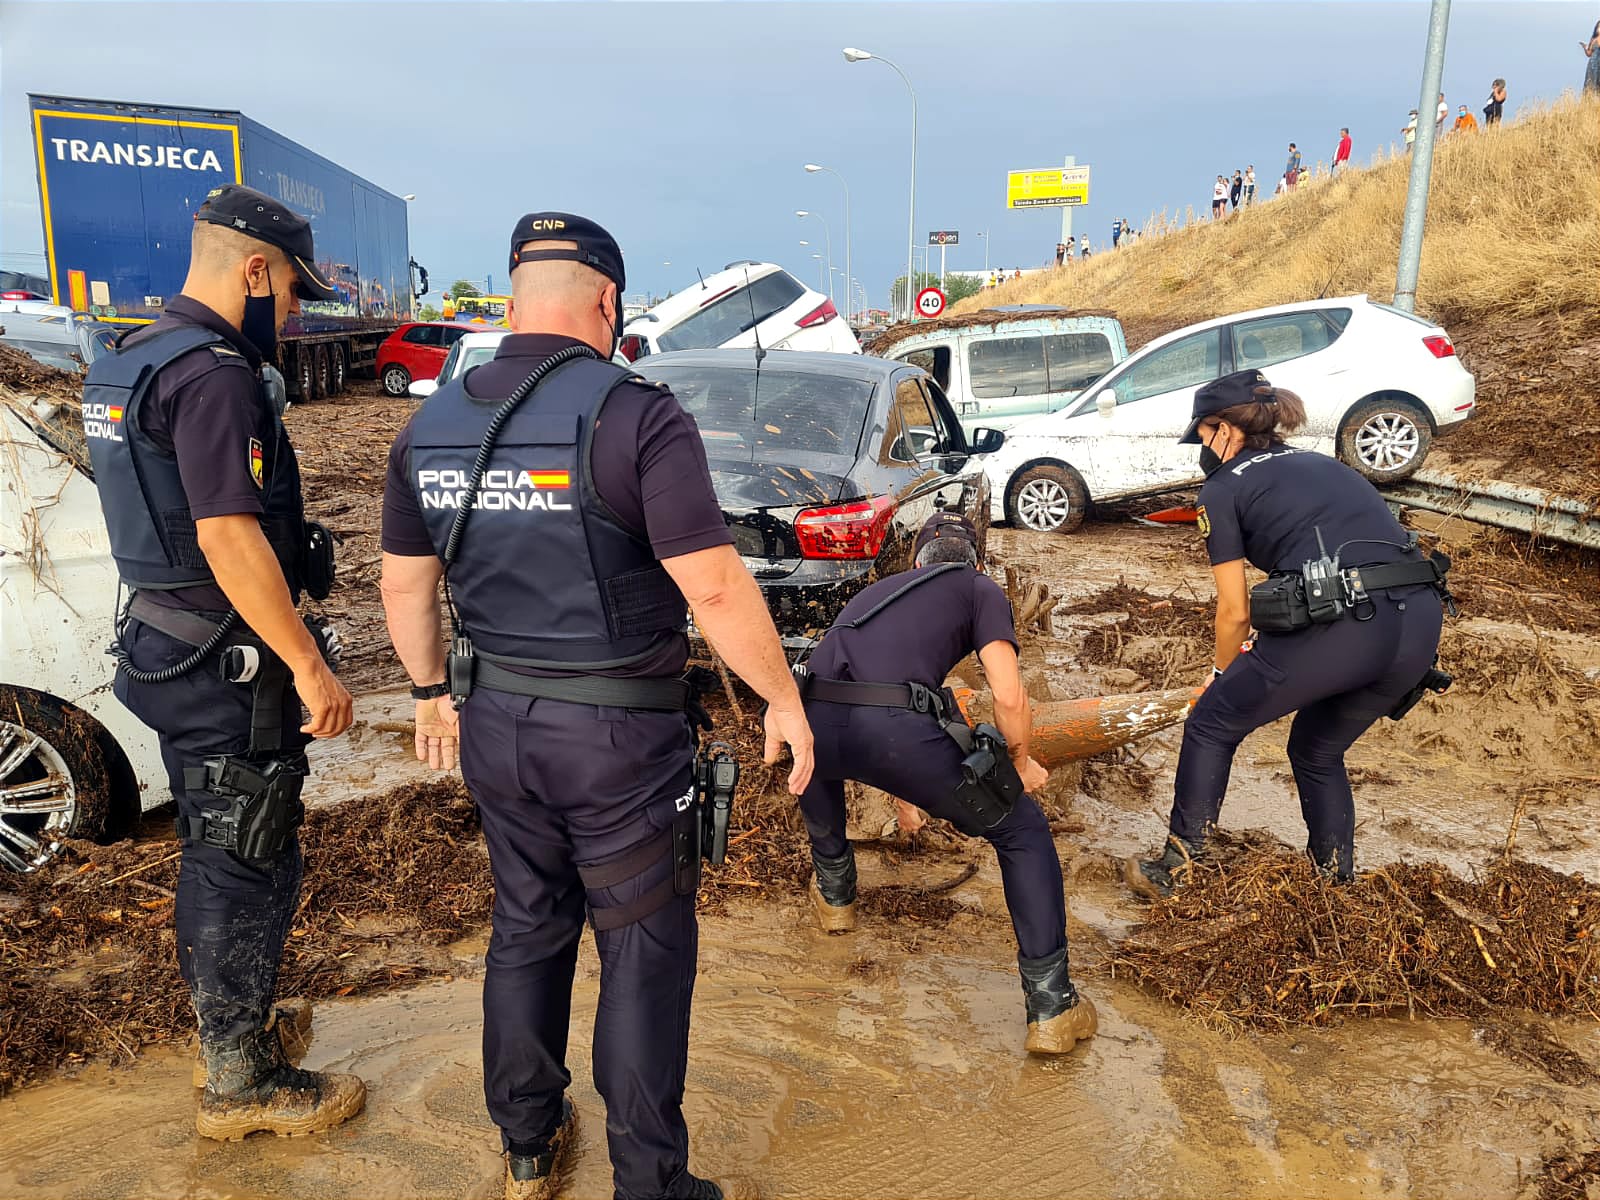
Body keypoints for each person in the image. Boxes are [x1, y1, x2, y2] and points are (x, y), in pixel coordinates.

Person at [379, 211, 813, 1200]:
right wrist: (781, 699)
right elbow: (710, 584)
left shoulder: (432, 424)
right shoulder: (638, 416)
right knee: (641, 950)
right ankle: (649, 1181)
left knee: (527, 928)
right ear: (608, 304)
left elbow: (403, 587)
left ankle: (527, 1148)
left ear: (513, 294)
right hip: (617, 741)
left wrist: (430, 697)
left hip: (496, 731)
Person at [80, 184, 362, 1139]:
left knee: (220, 842)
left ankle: (234, 1025)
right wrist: (310, 667)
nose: (290, 312)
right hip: (220, 657)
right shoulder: (214, 375)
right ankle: (238, 1079)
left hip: (163, 640)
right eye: (287, 292)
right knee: (244, 853)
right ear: (253, 270)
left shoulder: (128, 360)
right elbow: (229, 537)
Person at [1125, 371, 1451, 898]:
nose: (1203, 448)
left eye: (1204, 434)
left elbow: (1233, 611)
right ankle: (1334, 885)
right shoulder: (1324, 464)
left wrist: (1219, 676)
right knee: (1317, 750)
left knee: (1211, 724)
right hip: (1418, 624)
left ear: (1224, 429)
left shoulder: (1223, 487)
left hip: (1345, 625)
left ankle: (1178, 867)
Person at [794, 513, 1098, 1055]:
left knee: (830, 761)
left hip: (811, 723)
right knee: (1023, 833)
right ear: (976, 560)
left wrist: (905, 799)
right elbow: (1007, 696)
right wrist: (1021, 764)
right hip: (891, 733)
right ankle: (1054, 1008)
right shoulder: (979, 587)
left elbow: (867, 692)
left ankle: (836, 901)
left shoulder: (876, 594)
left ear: (916, 561)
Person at [1584, 22, 1600, 93]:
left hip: (1599, 62)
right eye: (1598, 27)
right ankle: (1590, 98)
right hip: (1592, 63)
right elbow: (1589, 54)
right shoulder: (1593, 39)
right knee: (1590, 80)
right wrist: (1585, 47)